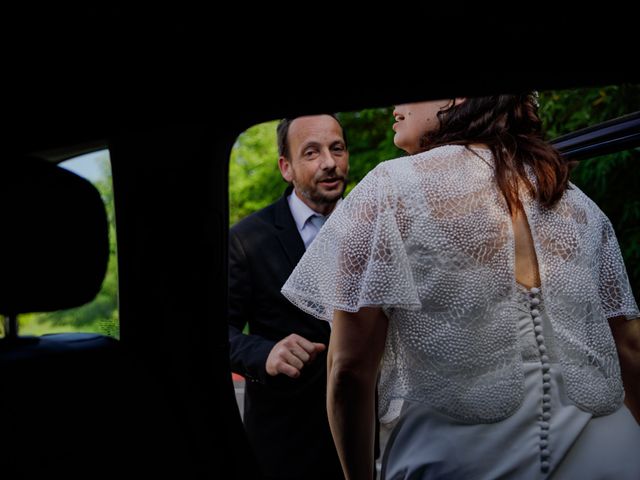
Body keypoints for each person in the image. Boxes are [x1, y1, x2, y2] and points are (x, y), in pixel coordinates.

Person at [282, 95, 640, 479]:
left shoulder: (387, 190)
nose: (396, 107)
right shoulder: (578, 203)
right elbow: (631, 347)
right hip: (612, 456)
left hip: (458, 463)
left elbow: (349, 369)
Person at [228, 114, 348, 479]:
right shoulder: (246, 239)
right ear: (286, 167)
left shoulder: (372, 224)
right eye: (311, 152)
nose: (329, 162)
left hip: (369, 437)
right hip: (286, 446)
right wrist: (266, 353)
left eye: (337, 148)